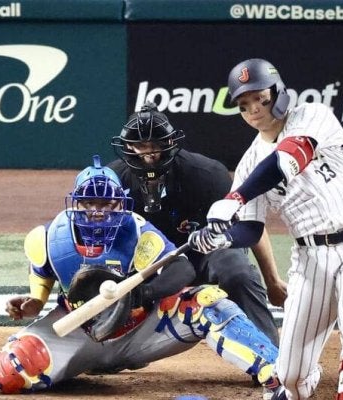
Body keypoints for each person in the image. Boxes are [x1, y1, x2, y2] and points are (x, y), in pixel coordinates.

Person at [0, 155, 282, 397]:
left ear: (120, 203)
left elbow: (182, 268)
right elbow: (43, 273)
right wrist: (35, 301)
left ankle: (276, 372)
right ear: (76, 203)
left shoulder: (137, 230)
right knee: (5, 373)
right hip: (78, 332)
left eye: (106, 204)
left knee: (208, 302)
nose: (97, 212)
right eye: (89, 204)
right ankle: (79, 366)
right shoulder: (48, 238)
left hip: (143, 330)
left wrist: (142, 294)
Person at [187, 59, 343, 400]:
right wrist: (220, 238)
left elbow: (287, 158)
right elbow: (250, 229)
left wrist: (235, 197)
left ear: (279, 92)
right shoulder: (249, 163)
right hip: (310, 259)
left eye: (260, 98)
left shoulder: (312, 116)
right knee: (289, 376)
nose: (254, 108)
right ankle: (302, 381)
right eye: (244, 103)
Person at [108, 103, 287, 351]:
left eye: (156, 144)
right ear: (128, 146)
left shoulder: (206, 173)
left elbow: (249, 222)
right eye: (140, 145)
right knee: (107, 275)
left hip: (204, 253)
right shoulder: (112, 180)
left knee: (237, 270)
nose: (148, 153)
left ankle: (271, 354)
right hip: (148, 262)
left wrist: (273, 281)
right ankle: (106, 351)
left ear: (170, 142)